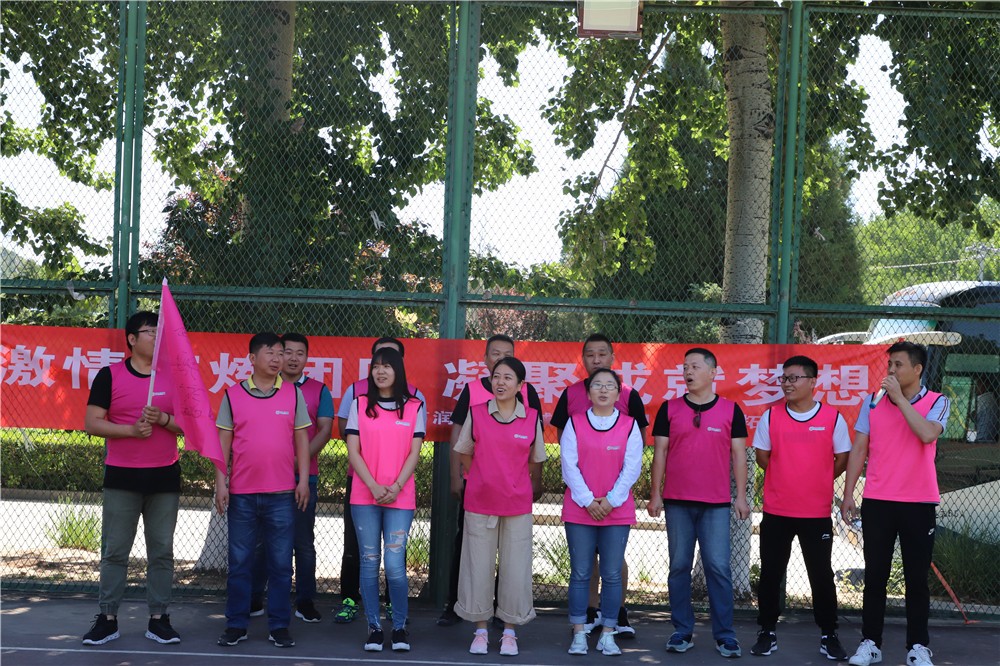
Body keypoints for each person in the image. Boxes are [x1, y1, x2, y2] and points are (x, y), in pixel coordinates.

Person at [841, 341, 950, 666]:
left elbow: (927, 434)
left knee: (916, 579)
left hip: (918, 502)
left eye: (898, 365)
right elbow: (859, 448)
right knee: (875, 576)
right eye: (889, 365)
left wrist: (900, 400)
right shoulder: (872, 402)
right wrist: (848, 494)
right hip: (878, 501)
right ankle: (870, 643)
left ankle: (917, 647)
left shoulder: (938, 401)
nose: (890, 371)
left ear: (917, 369)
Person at [82, 311, 185, 646]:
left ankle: (159, 619)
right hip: (122, 477)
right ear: (131, 339)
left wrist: (164, 419)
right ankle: (107, 618)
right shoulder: (109, 376)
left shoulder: (173, 377)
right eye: (150, 331)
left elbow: (189, 425)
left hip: (164, 477)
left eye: (159, 332)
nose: (156, 337)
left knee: (162, 552)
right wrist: (130, 430)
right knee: (115, 551)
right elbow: (92, 423)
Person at [648, 347, 749, 659]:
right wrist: (655, 493)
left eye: (694, 366)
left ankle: (725, 635)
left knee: (718, 567)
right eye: (685, 367)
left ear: (713, 372)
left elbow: (739, 455)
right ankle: (682, 630)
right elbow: (660, 453)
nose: (688, 372)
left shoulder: (731, 410)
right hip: (677, 502)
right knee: (679, 566)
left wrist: (741, 496)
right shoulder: (669, 409)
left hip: (716, 504)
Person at [749, 355, 850, 660]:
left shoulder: (832, 418)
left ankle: (829, 634)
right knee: (770, 574)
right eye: (784, 378)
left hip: (815, 513)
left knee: (821, 575)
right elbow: (763, 457)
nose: (787, 384)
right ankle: (767, 631)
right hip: (777, 511)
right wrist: (787, 477)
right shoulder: (771, 417)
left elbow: (842, 459)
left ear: (812, 381)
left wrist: (817, 479)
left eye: (794, 378)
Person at [439, 333, 543, 627]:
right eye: (495, 356)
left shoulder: (529, 401)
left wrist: (530, 482)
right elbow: (461, 441)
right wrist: (466, 475)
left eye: (507, 357)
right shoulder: (473, 394)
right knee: (473, 557)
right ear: (485, 360)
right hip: (479, 493)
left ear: (519, 383)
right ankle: (465, 612)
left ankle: (505, 618)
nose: (501, 375)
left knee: (513, 563)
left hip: (515, 497)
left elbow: (534, 451)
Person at [214, 332, 311, 649]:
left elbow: (302, 440)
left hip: (282, 494)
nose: (277, 358)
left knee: (281, 565)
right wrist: (221, 482)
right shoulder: (233, 395)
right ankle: (236, 624)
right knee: (240, 564)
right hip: (242, 494)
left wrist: (303, 480)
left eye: (280, 353)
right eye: (270, 352)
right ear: (252, 359)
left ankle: (279, 626)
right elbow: (223, 443)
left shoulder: (293, 394)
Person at [550, 333, 649, 637]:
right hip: (582, 497)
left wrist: (614, 496)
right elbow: (565, 448)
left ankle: (617, 614)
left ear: (612, 358)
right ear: (583, 359)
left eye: (602, 354)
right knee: (584, 566)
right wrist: (586, 497)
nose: (596, 359)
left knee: (613, 564)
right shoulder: (571, 395)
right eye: (590, 354)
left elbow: (637, 446)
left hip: (615, 498)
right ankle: (589, 613)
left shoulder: (629, 395)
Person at [334, 336, 426, 625]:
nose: (381, 371)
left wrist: (396, 487)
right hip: (365, 496)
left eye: (387, 366)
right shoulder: (359, 404)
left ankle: (399, 627)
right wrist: (373, 486)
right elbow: (353, 451)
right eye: (376, 366)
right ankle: (373, 627)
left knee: (395, 566)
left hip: (400, 496)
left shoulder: (414, 405)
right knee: (369, 562)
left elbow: (414, 453)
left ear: (399, 370)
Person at [249, 333, 334, 622]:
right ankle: (254, 597)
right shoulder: (262, 389)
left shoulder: (318, 390)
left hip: (303, 479)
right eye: (287, 352)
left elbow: (324, 430)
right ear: (277, 355)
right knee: (262, 542)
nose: (293, 358)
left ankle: (305, 601)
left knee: (303, 543)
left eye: (300, 353)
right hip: (265, 479)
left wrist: (298, 461)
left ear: (307, 358)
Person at [561, 368, 643, 657]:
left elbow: (632, 467)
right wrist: (588, 501)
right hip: (580, 510)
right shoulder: (574, 422)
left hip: (616, 511)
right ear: (588, 392)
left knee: (611, 574)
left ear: (619, 393)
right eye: (597, 385)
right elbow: (568, 466)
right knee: (581, 573)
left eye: (610, 385)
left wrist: (610, 501)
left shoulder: (630, 425)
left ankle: (608, 633)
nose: (604, 390)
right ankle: (579, 633)